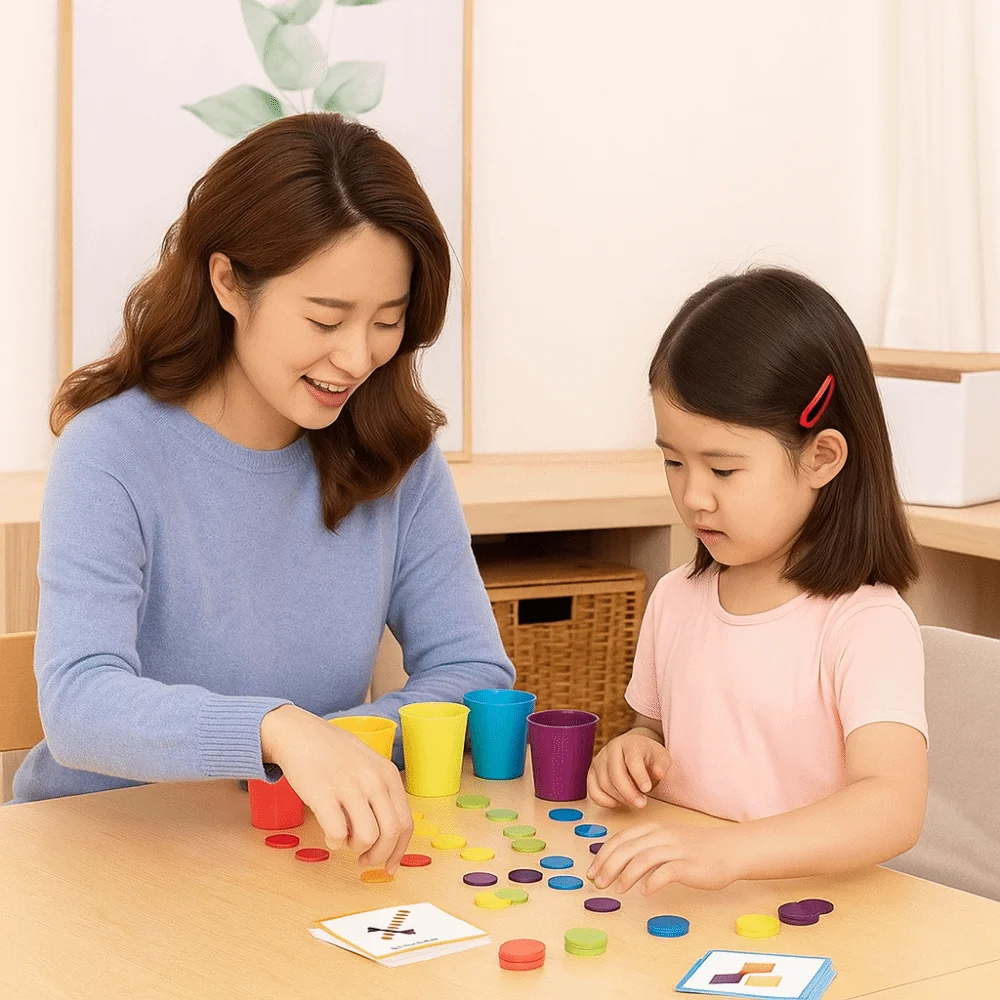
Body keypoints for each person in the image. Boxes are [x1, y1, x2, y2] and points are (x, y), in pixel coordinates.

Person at [12, 114, 515, 877]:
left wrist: (336, 743)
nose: (356, 357)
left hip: (288, 849)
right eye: (325, 318)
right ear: (227, 283)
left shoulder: (397, 455)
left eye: (388, 321)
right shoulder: (112, 451)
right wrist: (278, 732)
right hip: (103, 853)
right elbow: (81, 703)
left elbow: (475, 673)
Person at [586, 268, 927, 894]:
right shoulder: (676, 599)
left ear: (821, 457)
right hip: (692, 915)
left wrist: (732, 851)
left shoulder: (863, 624)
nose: (693, 496)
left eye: (723, 468)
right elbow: (656, 731)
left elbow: (893, 806)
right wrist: (632, 752)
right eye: (673, 461)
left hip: (820, 922)